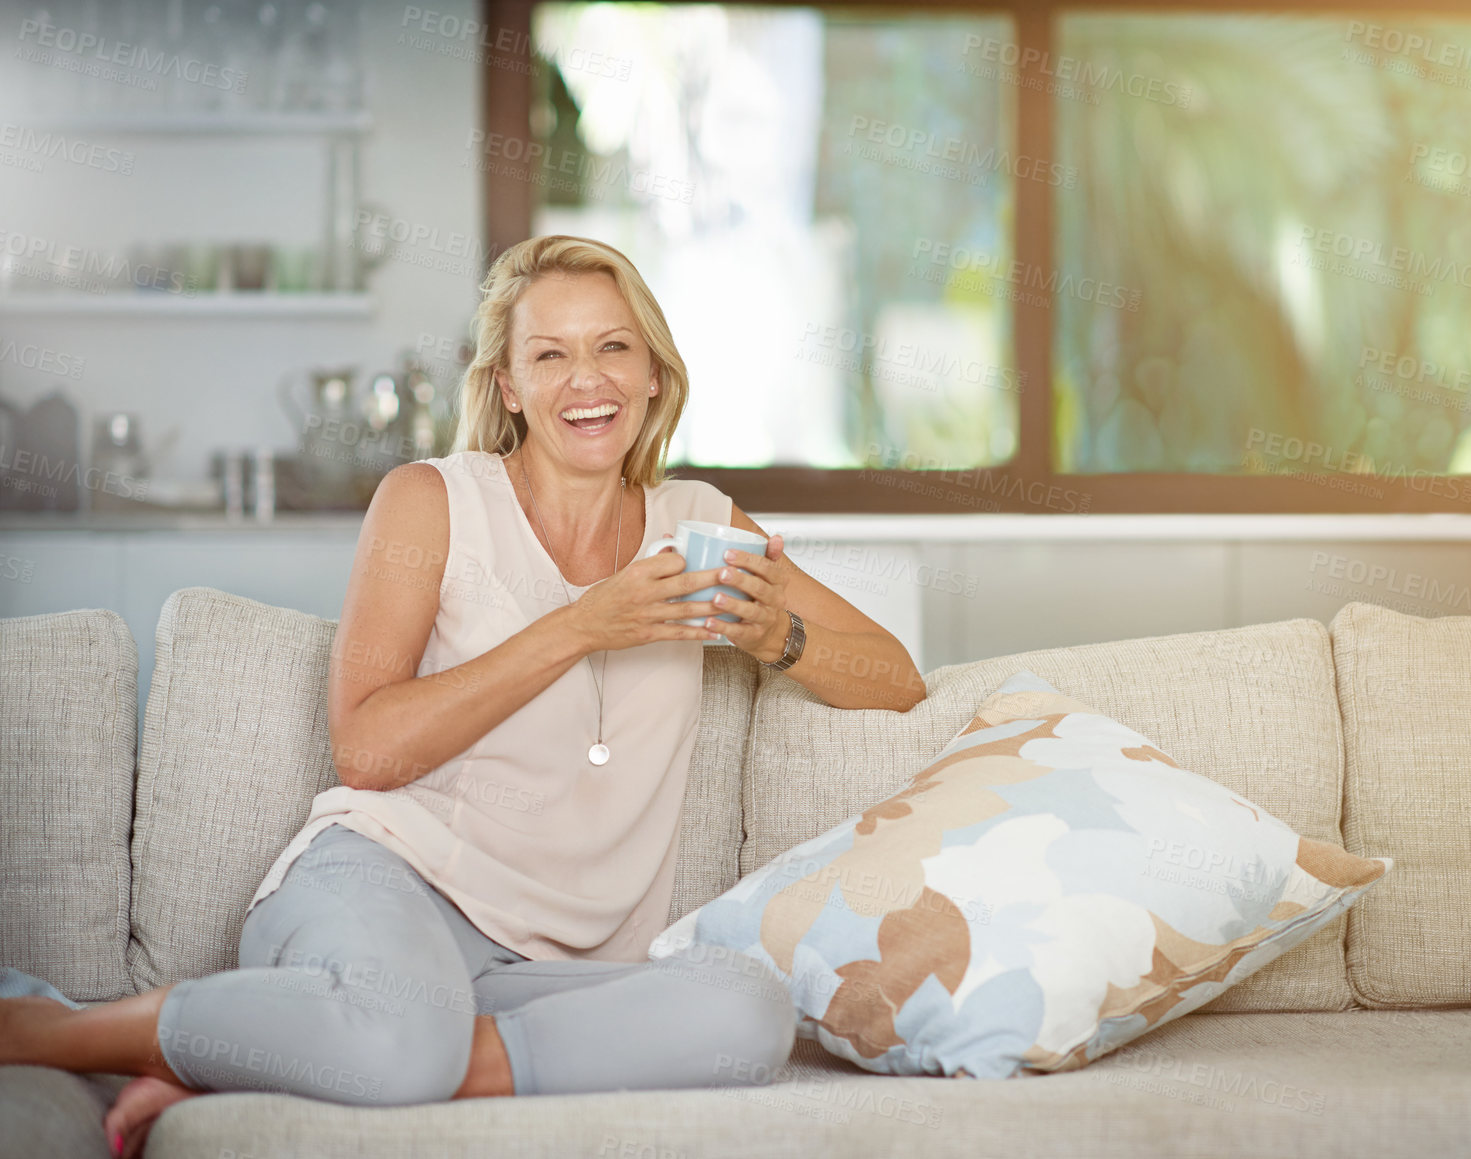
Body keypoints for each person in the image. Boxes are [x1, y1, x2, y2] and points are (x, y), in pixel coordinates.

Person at [0, 235, 928, 1158]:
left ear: (652, 373)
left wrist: (780, 638)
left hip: (556, 969)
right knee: (404, 1030)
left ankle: (279, 1046)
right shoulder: (431, 500)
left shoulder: (702, 524)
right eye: (549, 354)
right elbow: (365, 748)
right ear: (508, 385)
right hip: (387, 887)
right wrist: (582, 624)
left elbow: (894, 675)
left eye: (613, 346)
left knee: (748, 1012)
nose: (586, 379)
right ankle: (61, 1028)